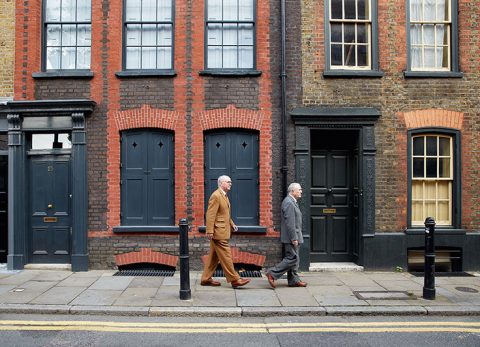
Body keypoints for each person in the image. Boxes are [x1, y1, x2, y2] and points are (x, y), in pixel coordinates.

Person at [200, 175, 251, 288]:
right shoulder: (216, 196)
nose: (230, 184)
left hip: (223, 229)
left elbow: (224, 214)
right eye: (228, 182)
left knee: (213, 257)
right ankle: (235, 279)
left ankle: (205, 279)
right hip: (219, 232)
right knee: (226, 256)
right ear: (221, 183)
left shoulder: (224, 196)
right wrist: (209, 231)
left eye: (230, 182)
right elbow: (210, 214)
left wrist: (232, 224)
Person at [265, 183, 307, 288]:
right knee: (292, 258)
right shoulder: (289, 202)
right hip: (291, 237)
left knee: (295, 259)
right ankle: (272, 273)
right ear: (292, 191)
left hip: (294, 236)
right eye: (299, 189)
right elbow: (290, 223)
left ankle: (294, 280)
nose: (301, 191)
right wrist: (294, 238)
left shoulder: (292, 201)